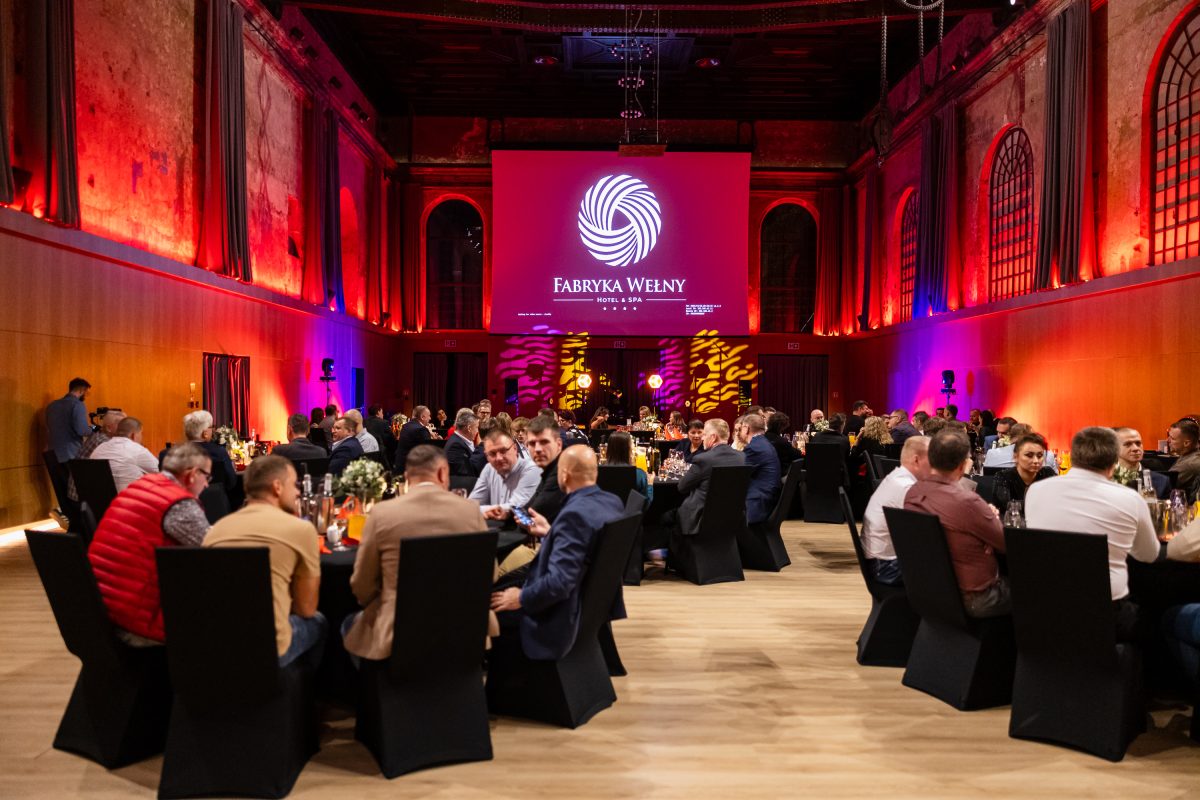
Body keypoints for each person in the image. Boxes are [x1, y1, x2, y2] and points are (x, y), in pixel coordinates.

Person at [341, 445, 489, 662]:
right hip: (464, 625)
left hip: (399, 629)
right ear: (443, 473)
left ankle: (373, 681)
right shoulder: (471, 511)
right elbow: (488, 572)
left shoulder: (382, 514)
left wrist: (379, 603)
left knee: (349, 625)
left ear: (407, 477)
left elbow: (362, 583)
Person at [489, 446, 625, 660]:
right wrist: (550, 533)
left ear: (564, 475)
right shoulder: (612, 502)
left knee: (484, 607)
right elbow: (585, 551)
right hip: (588, 607)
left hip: (556, 615)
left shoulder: (574, 514)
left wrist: (521, 597)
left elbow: (560, 583)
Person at [1025, 427, 1159, 638]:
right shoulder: (1131, 499)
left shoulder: (1035, 490)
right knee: (1157, 616)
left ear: (1073, 457)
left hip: (1045, 605)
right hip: (1108, 612)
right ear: (1114, 462)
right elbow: (1149, 555)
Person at [204, 456, 326, 669]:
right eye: (294, 485)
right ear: (277, 487)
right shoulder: (300, 529)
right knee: (318, 622)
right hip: (269, 647)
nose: (298, 492)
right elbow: (306, 608)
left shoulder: (216, 530)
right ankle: (302, 687)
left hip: (218, 643)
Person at [88, 443, 212, 644]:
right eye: (206, 477)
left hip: (102, 609)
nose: (206, 485)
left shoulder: (138, 487)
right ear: (192, 474)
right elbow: (214, 552)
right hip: (138, 620)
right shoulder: (180, 504)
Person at [904, 429, 1009, 618]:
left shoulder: (913, 491)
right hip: (975, 597)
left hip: (930, 590)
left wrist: (981, 535)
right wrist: (989, 525)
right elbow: (1005, 544)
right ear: (963, 464)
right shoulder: (967, 502)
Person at [860, 436, 931, 585]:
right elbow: (928, 529)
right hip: (885, 566)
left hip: (880, 560)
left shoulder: (897, 478)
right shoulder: (905, 486)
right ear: (916, 460)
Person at [672, 419, 745, 541]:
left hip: (700, 518)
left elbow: (682, 487)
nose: (702, 438)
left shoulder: (703, 459)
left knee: (665, 517)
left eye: (704, 434)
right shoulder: (742, 457)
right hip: (732, 517)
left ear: (713, 437)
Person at [469, 429, 542, 519]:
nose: (499, 458)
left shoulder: (531, 469)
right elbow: (471, 505)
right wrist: (492, 510)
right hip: (493, 525)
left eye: (503, 451)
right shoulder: (489, 468)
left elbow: (515, 507)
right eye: (492, 453)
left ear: (515, 449)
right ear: (486, 456)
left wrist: (482, 510)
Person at [67, 408, 126, 502]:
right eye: (122, 425)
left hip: (81, 491)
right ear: (109, 428)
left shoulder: (99, 435)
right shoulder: (105, 443)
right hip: (85, 497)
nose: (126, 429)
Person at [91, 417, 161, 492]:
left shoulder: (100, 448)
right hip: (129, 497)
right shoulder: (137, 450)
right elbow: (163, 473)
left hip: (98, 498)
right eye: (141, 433)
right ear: (133, 435)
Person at [737, 413, 780, 527]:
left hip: (757, 500)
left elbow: (738, 474)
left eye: (741, 428)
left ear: (746, 428)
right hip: (767, 495)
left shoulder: (754, 447)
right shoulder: (763, 443)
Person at [993, 433, 1058, 508]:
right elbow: (1005, 505)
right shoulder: (1003, 476)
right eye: (1029, 455)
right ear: (1016, 456)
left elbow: (1060, 500)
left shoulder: (1048, 473)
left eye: (1039, 456)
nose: (1036, 461)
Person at [525, 415, 568, 521]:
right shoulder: (550, 469)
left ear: (559, 445)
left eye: (544, 442)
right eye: (532, 443)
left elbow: (532, 514)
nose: (537, 449)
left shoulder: (561, 472)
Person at [183, 410, 237, 488]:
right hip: (215, 494)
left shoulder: (173, 453)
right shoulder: (219, 452)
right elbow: (231, 481)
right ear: (205, 433)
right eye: (211, 427)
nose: (213, 430)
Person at [1113, 427, 1170, 498]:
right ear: (1114, 448)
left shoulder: (1162, 481)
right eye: (1128, 444)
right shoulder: (1105, 479)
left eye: (1138, 443)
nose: (1136, 448)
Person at [46, 377, 93, 462]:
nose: (86, 396)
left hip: (52, 454)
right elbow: (82, 430)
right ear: (81, 390)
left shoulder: (52, 406)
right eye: (86, 393)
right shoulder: (77, 405)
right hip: (70, 453)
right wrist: (93, 429)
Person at [606, 430, 653, 505]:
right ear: (628, 451)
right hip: (632, 512)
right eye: (632, 448)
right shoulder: (639, 474)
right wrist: (650, 484)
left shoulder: (600, 473)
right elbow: (645, 504)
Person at [850, 415, 892, 482]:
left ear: (868, 427)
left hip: (869, 476)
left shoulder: (866, 440)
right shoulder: (889, 441)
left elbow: (853, 455)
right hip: (885, 475)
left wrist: (858, 437)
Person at [445, 409, 484, 477]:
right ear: (469, 428)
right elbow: (467, 473)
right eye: (476, 427)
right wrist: (481, 445)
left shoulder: (460, 441)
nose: (477, 431)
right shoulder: (455, 446)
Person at [395, 405, 433, 472]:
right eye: (429, 416)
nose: (430, 418)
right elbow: (428, 452)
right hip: (413, 469)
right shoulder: (421, 429)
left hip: (400, 465)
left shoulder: (405, 426)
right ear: (422, 417)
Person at [1169, 418, 1200, 500]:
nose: (1168, 440)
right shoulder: (1188, 456)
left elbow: (1163, 486)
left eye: (1172, 438)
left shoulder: (1190, 464)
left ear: (1186, 443)